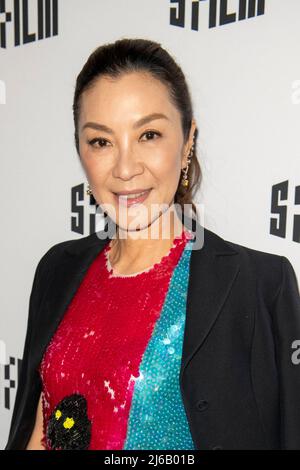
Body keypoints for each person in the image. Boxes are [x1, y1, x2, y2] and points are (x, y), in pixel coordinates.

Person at [5, 38, 300, 450]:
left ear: (187, 141)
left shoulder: (259, 287)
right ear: (80, 150)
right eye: (101, 141)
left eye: (148, 134)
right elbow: (40, 425)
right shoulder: (57, 269)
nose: (126, 168)